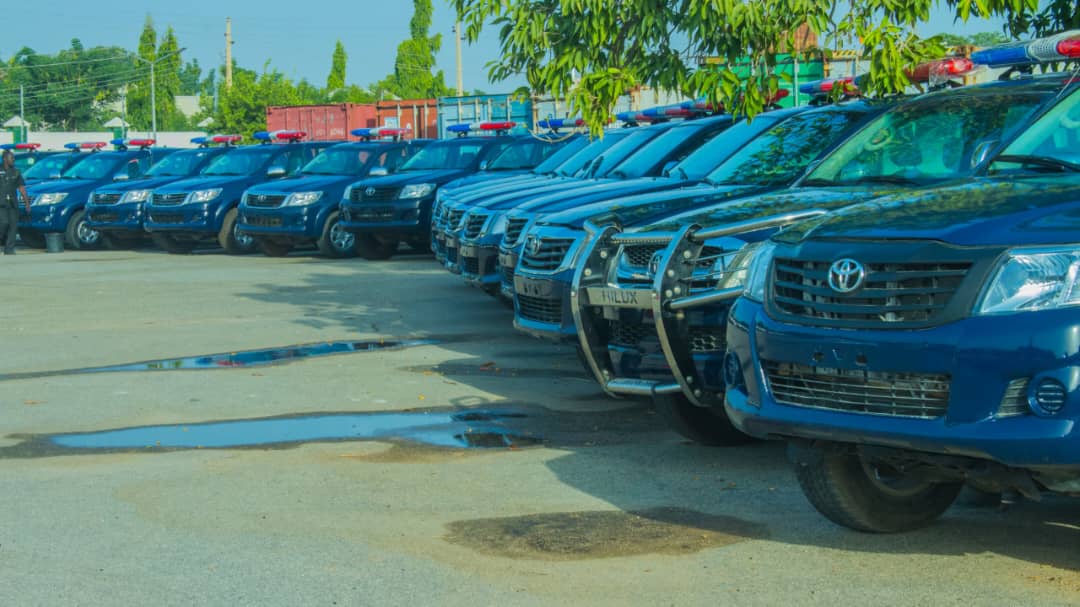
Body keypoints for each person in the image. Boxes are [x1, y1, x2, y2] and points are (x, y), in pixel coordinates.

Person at [0, 150, 30, 255]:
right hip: (1, 204)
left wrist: (27, 203)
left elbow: (22, 188)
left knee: (13, 226)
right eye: (11, 158)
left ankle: (9, 249)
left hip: (13, 204)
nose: (13, 160)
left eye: (13, 158)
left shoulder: (16, 172)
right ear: (5, 159)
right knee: (3, 223)